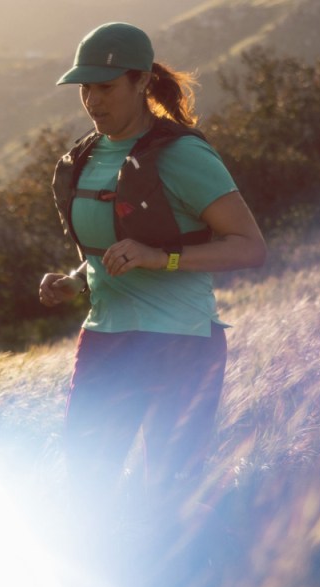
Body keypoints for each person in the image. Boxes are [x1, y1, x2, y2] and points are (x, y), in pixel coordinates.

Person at [39, 21, 266, 519]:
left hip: (180, 343)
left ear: (140, 82)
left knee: (173, 497)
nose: (93, 101)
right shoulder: (83, 158)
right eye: (85, 88)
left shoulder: (183, 154)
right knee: (85, 490)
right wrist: (73, 280)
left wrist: (161, 259)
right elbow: (105, 250)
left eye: (106, 86)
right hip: (106, 340)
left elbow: (249, 247)